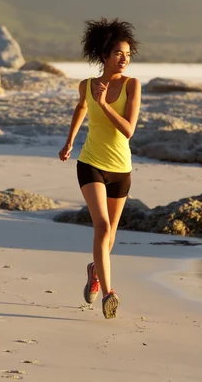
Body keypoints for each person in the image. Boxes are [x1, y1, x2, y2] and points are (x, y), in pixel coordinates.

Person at [58, 18, 141, 319]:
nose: (124, 59)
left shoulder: (132, 86)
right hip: (91, 163)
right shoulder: (88, 86)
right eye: (118, 53)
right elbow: (82, 106)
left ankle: (95, 269)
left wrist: (105, 104)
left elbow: (128, 130)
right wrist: (69, 142)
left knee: (110, 238)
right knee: (102, 228)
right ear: (104, 55)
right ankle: (109, 293)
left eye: (128, 54)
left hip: (121, 169)